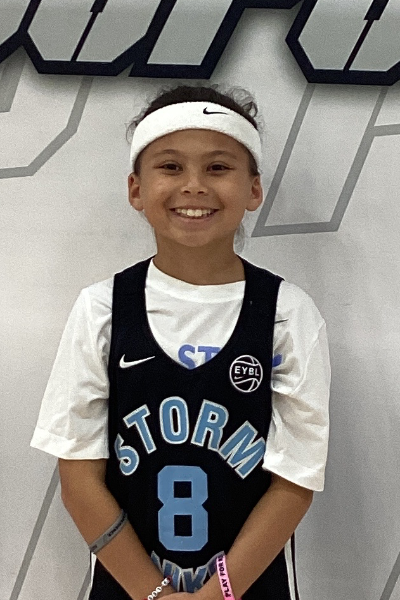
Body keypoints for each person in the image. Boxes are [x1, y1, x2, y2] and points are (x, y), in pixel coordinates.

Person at [31, 84, 330, 600]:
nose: (194, 186)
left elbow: (293, 483)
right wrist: (155, 595)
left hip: (247, 588)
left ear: (253, 190)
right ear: (136, 189)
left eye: (218, 167)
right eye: (170, 167)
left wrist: (217, 595)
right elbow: (79, 480)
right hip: (131, 588)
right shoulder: (102, 309)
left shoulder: (288, 313)